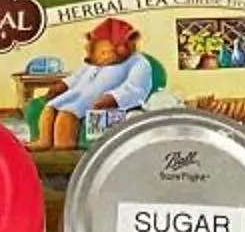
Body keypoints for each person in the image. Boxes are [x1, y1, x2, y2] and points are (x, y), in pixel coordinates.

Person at [32, 17, 155, 151]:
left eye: (103, 53)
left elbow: (135, 88)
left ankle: (63, 149)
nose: (100, 58)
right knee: (49, 108)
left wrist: (114, 98)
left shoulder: (138, 63)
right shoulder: (94, 64)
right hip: (77, 94)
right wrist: (63, 85)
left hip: (99, 101)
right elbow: (77, 77)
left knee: (66, 115)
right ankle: (44, 141)